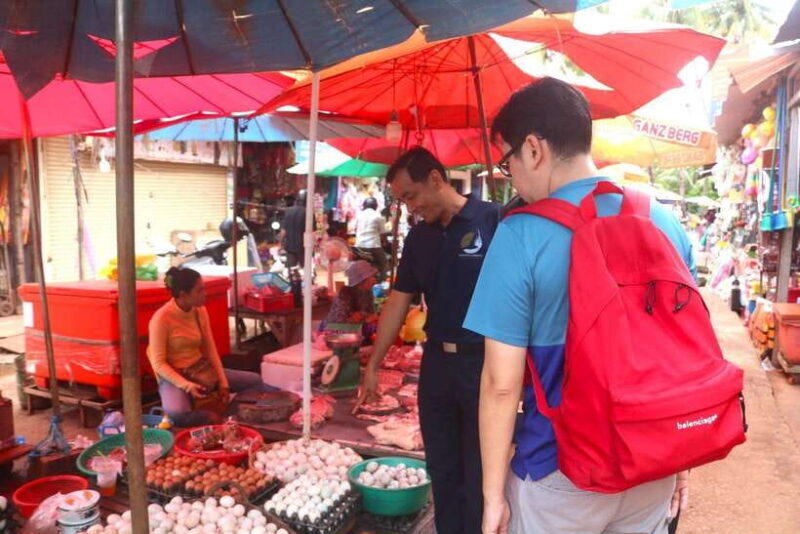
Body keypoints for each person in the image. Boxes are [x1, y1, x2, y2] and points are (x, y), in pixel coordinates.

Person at [463, 78, 695, 534]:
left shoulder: (520, 234)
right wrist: (680, 455)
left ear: (533, 149)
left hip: (559, 471)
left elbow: (500, 385)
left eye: (508, 162)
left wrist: (492, 497)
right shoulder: (664, 221)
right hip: (652, 459)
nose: (513, 178)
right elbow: (683, 353)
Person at [355, 147, 500, 534]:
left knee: (481, 470)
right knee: (442, 466)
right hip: (436, 364)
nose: (410, 207)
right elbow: (397, 304)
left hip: (486, 364)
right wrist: (373, 365)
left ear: (436, 179)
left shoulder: (494, 220)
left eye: (411, 196)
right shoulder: (419, 238)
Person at [147, 267, 265, 426]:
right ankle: (210, 418)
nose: (205, 293)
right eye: (200, 290)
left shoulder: (200, 311)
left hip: (200, 370)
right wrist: (187, 386)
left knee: (254, 381)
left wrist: (223, 383)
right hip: (172, 375)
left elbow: (210, 350)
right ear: (183, 295)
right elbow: (158, 363)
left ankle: (229, 416)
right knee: (177, 414)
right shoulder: (161, 319)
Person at [323, 260, 378, 326]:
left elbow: (371, 313)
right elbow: (337, 322)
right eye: (372, 277)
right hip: (333, 330)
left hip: (357, 329)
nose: (375, 281)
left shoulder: (368, 292)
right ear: (362, 281)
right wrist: (354, 319)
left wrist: (365, 316)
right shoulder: (345, 295)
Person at [355, 197, 388, 279]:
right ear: (375, 206)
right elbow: (383, 233)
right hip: (374, 246)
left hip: (359, 246)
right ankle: (382, 283)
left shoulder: (359, 215)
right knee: (384, 264)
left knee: (356, 266)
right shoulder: (378, 215)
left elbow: (355, 229)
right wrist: (385, 242)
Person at [281, 190, 307, 268]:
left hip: (290, 246)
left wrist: (281, 243)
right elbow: (313, 233)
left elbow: (283, 231)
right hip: (303, 247)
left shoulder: (288, 211)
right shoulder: (308, 212)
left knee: (290, 270)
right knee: (305, 270)